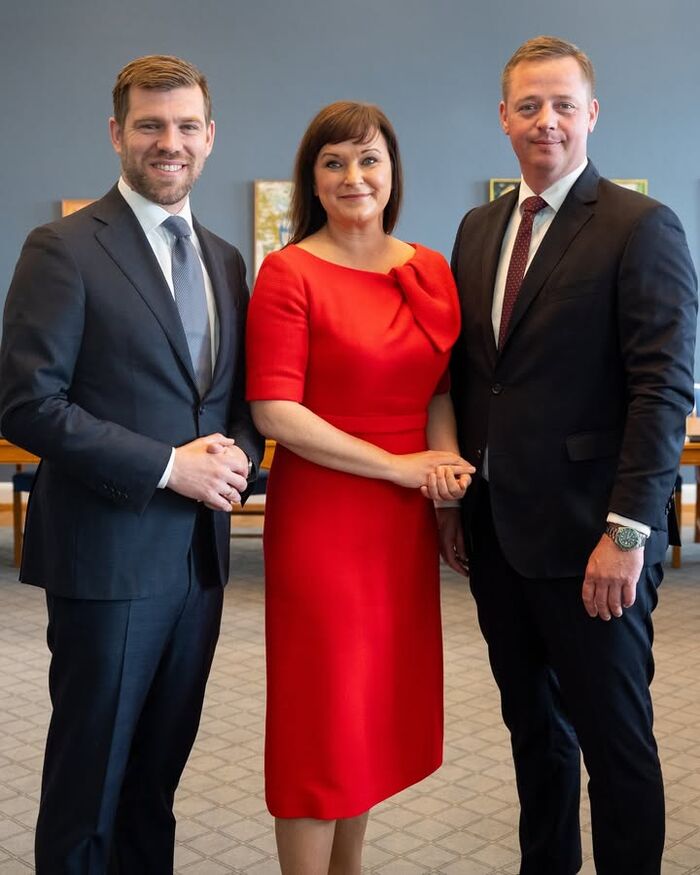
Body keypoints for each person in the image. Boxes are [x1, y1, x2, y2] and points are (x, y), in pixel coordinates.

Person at [439, 35, 698, 875]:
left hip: (597, 541)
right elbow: (475, 376)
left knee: (615, 742)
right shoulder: (478, 229)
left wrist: (627, 532)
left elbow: (663, 391)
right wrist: (457, 501)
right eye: (528, 105)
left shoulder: (639, 226)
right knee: (534, 735)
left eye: (561, 104)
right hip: (499, 536)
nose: (545, 120)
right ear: (503, 118)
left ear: (591, 114)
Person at [0, 54, 263, 874]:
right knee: (89, 791)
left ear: (210, 137)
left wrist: (239, 457)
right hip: (107, 561)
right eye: (150, 125)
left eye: (186, 126)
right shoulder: (63, 248)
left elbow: (234, 405)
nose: (169, 142)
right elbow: (27, 404)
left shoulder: (225, 259)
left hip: (198, 568)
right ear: (117, 133)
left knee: (155, 785)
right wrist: (167, 467)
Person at [245, 101, 473, 874]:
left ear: (392, 171)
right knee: (320, 723)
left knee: (366, 718)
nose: (354, 176)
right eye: (334, 162)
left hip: (401, 525)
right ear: (312, 179)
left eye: (369, 158)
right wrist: (398, 466)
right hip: (324, 522)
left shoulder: (429, 269)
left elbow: (438, 393)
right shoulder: (289, 272)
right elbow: (275, 410)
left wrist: (443, 491)